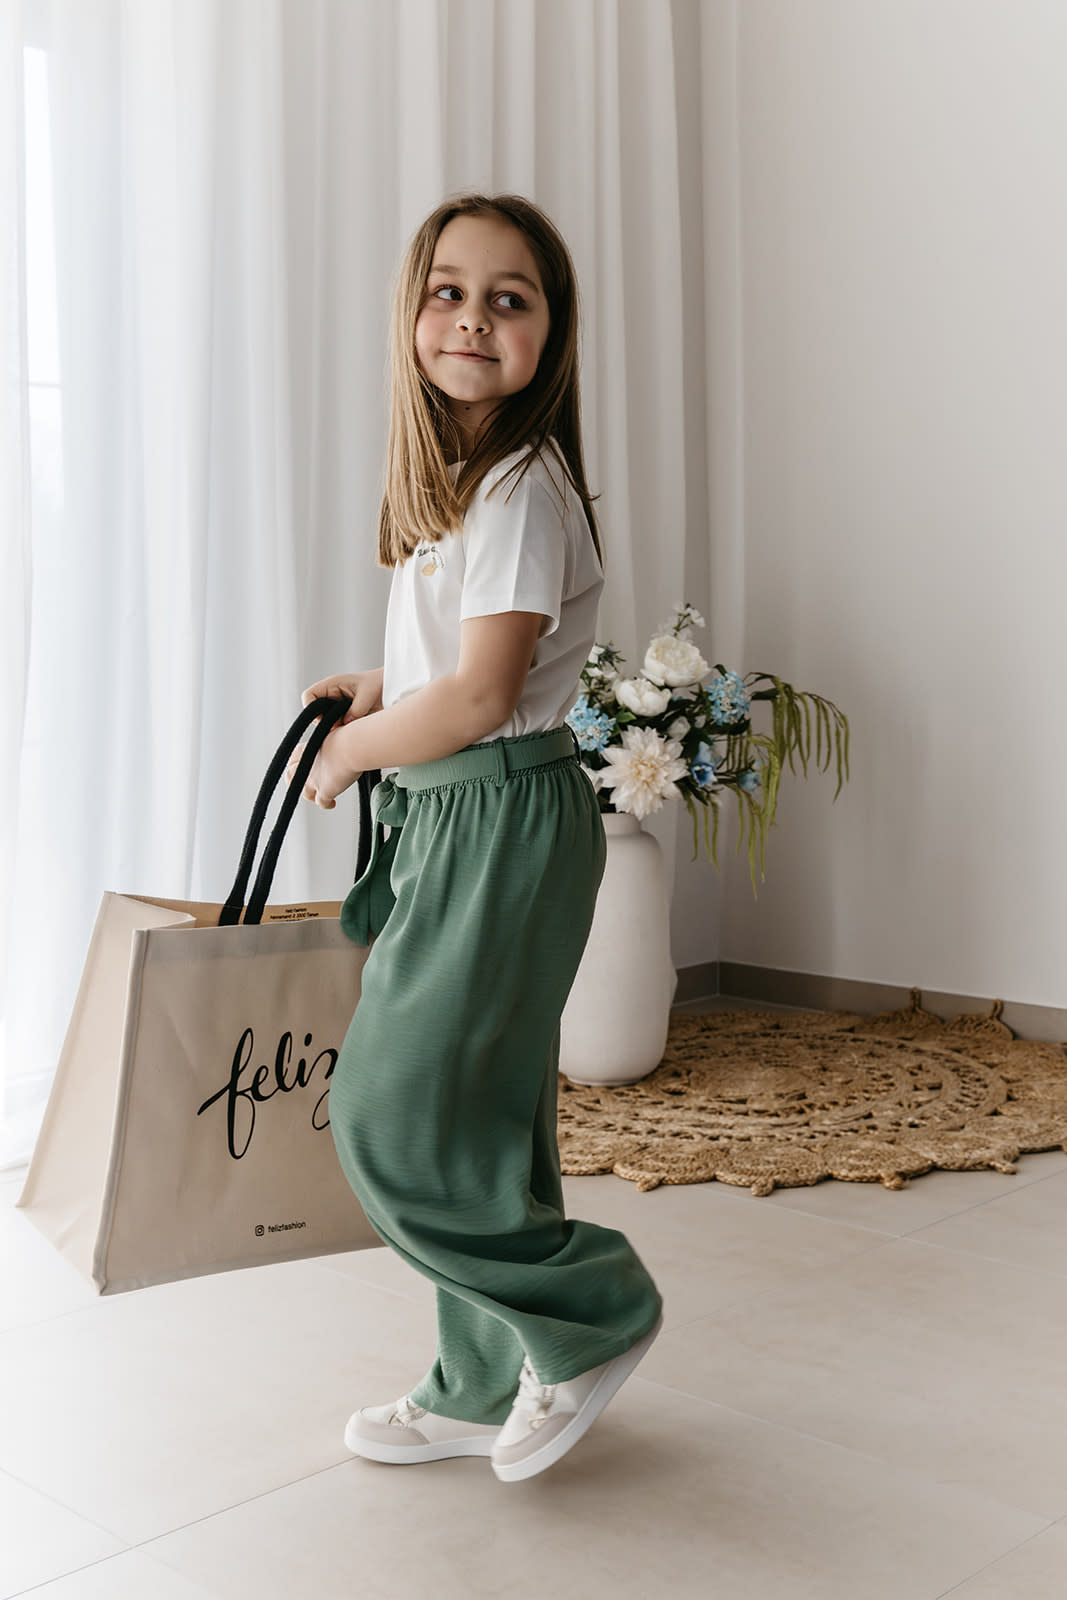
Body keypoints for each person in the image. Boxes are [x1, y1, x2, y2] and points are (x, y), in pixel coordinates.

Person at [296, 193, 662, 1484]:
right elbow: (463, 672)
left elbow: (482, 698)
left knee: (389, 1113)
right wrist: (379, 689)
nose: (472, 318)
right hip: (474, 808)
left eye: (510, 298)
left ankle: (592, 1310)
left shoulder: (515, 488)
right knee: (478, 1120)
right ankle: (477, 1379)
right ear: (411, 313)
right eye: (447, 291)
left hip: (495, 814)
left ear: (550, 334)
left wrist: (354, 753)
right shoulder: (466, 486)